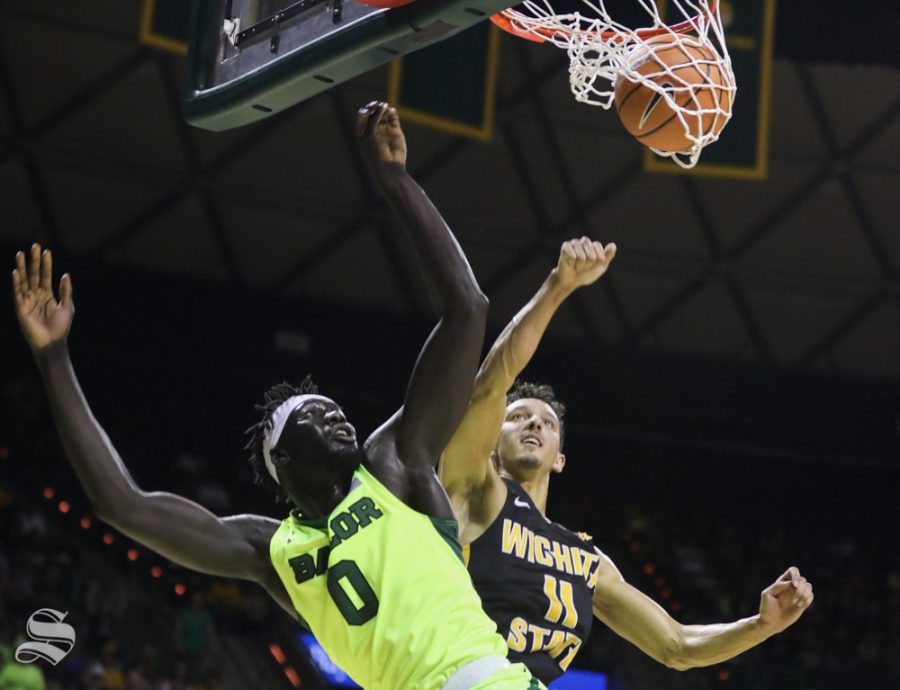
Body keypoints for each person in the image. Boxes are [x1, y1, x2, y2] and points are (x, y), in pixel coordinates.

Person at [12, 102, 543, 690]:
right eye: (315, 415)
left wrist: (396, 180)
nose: (338, 414)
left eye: (335, 409)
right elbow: (122, 505)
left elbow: (468, 309)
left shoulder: (394, 464)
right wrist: (53, 357)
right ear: (283, 458)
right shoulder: (270, 550)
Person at [439, 238, 815, 684]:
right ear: (492, 444)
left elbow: (676, 646)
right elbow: (489, 385)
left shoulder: (586, 560)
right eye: (517, 417)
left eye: (546, 423)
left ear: (560, 459)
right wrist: (558, 287)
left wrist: (762, 625)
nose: (534, 425)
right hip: (453, 674)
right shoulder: (472, 490)